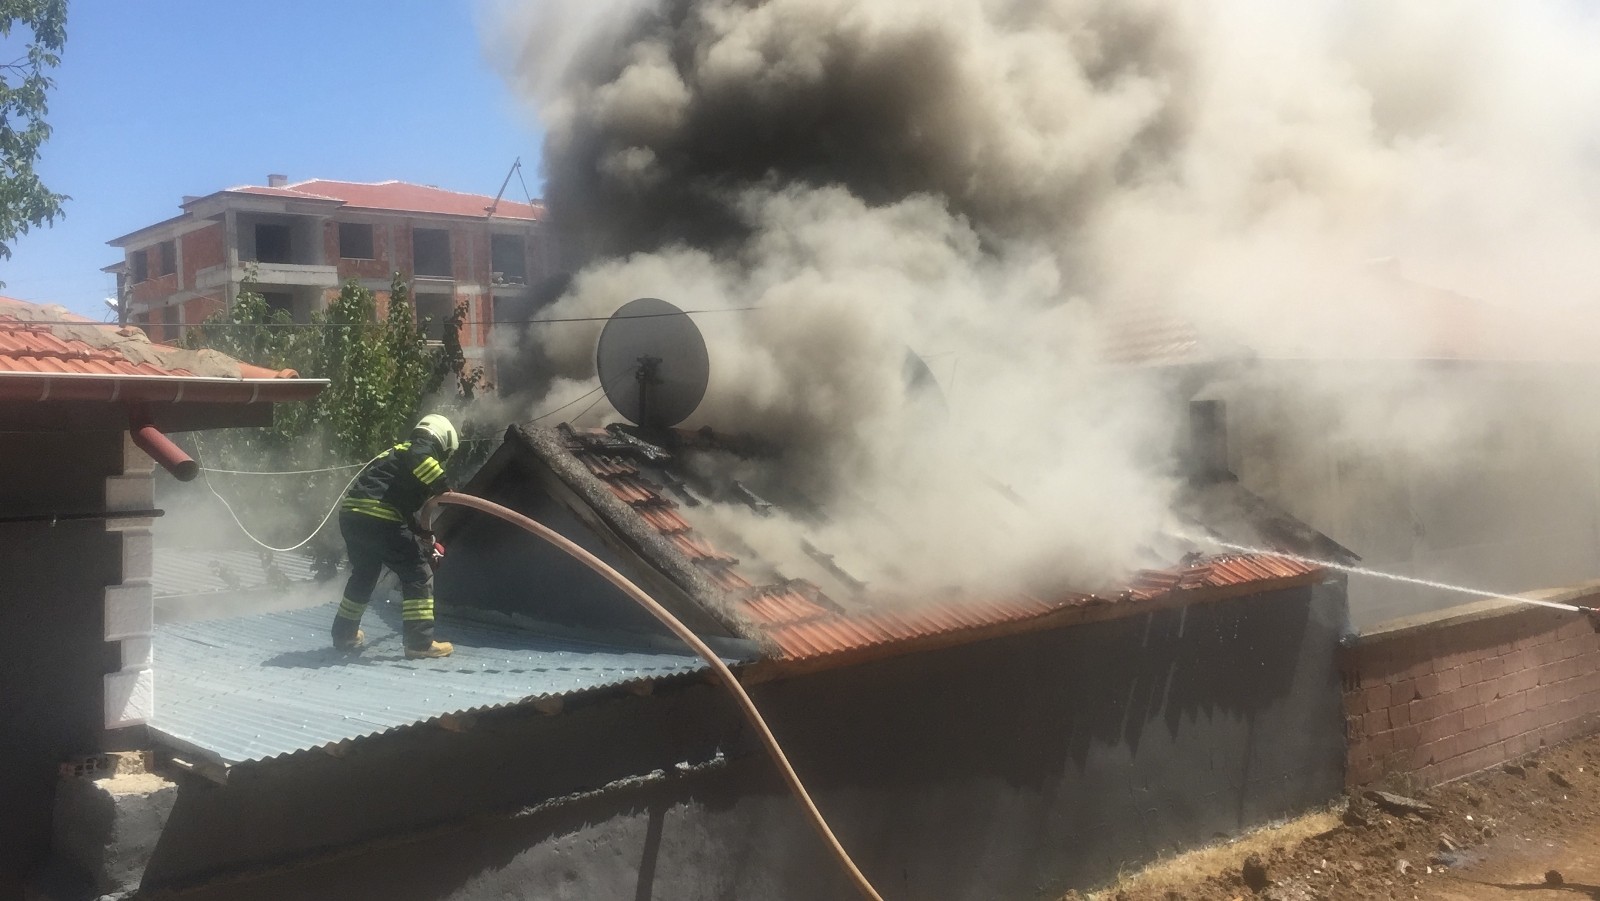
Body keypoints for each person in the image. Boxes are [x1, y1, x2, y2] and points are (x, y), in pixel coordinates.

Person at [332, 414, 459, 658]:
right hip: (379, 518)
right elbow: (421, 460)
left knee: (364, 575)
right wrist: (442, 486)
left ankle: (344, 634)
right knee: (418, 572)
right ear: (442, 441)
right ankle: (419, 643)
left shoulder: (393, 453)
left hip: (353, 517)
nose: (440, 462)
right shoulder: (420, 448)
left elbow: (393, 502)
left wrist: (419, 531)